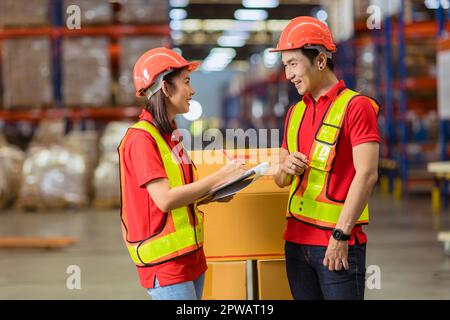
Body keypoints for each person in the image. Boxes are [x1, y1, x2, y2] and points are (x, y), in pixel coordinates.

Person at [118, 47, 244, 300]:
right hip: (165, 264)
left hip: (190, 258)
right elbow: (164, 200)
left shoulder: (170, 135)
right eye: (186, 82)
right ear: (165, 88)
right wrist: (219, 176)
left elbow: (177, 193)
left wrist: (211, 193)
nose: (192, 90)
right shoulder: (141, 139)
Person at [272, 16, 380, 300]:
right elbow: (280, 179)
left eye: (293, 64)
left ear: (320, 61)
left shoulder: (356, 107)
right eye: (285, 66)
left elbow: (367, 174)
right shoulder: (295, 113)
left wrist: (341, 235)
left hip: (337, 244)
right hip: (295, 243)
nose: (288, 75)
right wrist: (285, 166)